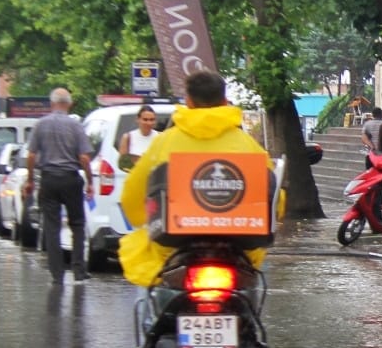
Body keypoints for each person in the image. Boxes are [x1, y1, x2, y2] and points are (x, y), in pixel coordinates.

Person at [118, 70, 277, 287]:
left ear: (188, 101)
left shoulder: (164, 143)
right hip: (236, 249)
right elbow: (274, 199)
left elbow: (134, 193)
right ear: (224, 100)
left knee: (147, 292)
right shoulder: (249, 146)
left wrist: (140, 220)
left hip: (173, 248)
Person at [21, 88, 93, 285]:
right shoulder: (76, 125)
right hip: (71, 179)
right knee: (77, 225)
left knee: (51, 227)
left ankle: (57, 273)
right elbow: (84, 157)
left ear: (52, 104)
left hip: (49, 179)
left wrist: (30, 180)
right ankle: (78, 270)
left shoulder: (40, 125)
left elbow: (31, 155)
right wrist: (90, 182)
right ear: (68, 104)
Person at [117, 104, 160, 169]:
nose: (149, 123)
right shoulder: (128, 137)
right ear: (138, 119)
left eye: (152, 120)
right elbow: (122, 164)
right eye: (145, 120)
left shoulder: (161, 137)